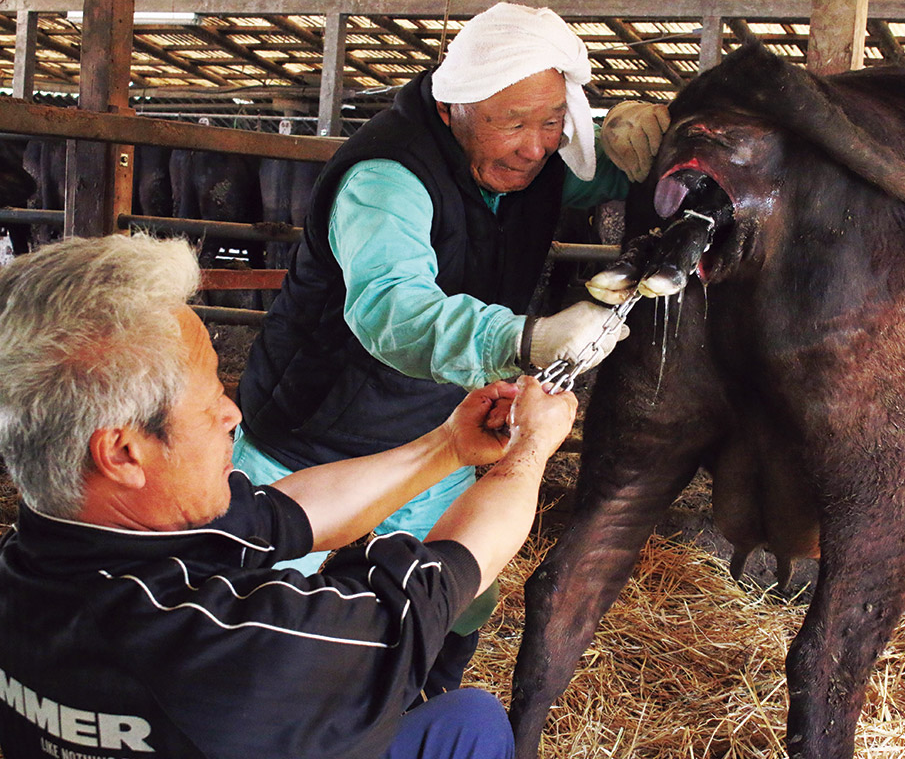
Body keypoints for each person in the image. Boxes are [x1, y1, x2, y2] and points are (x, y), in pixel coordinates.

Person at [0, 234, 577, 759]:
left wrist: (447, 446)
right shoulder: (232, 652)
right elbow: (439, 581)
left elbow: (285, 514)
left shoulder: (46, 550)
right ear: (124, 453)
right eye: (209, 403)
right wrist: (530, 449)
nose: (233, 413)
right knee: (472, 724)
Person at [232, 2, 669, 694]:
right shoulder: (387, 177)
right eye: (511, 122)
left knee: (442, 612)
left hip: (441, 430)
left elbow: (621, 171)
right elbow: (392, 310)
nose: (535, 145)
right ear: (450, 109)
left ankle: (413, 715)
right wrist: (524, 340)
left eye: (552, 121)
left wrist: (649, 137)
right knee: (264, 629)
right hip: (317, 437)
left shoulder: (539, 158)